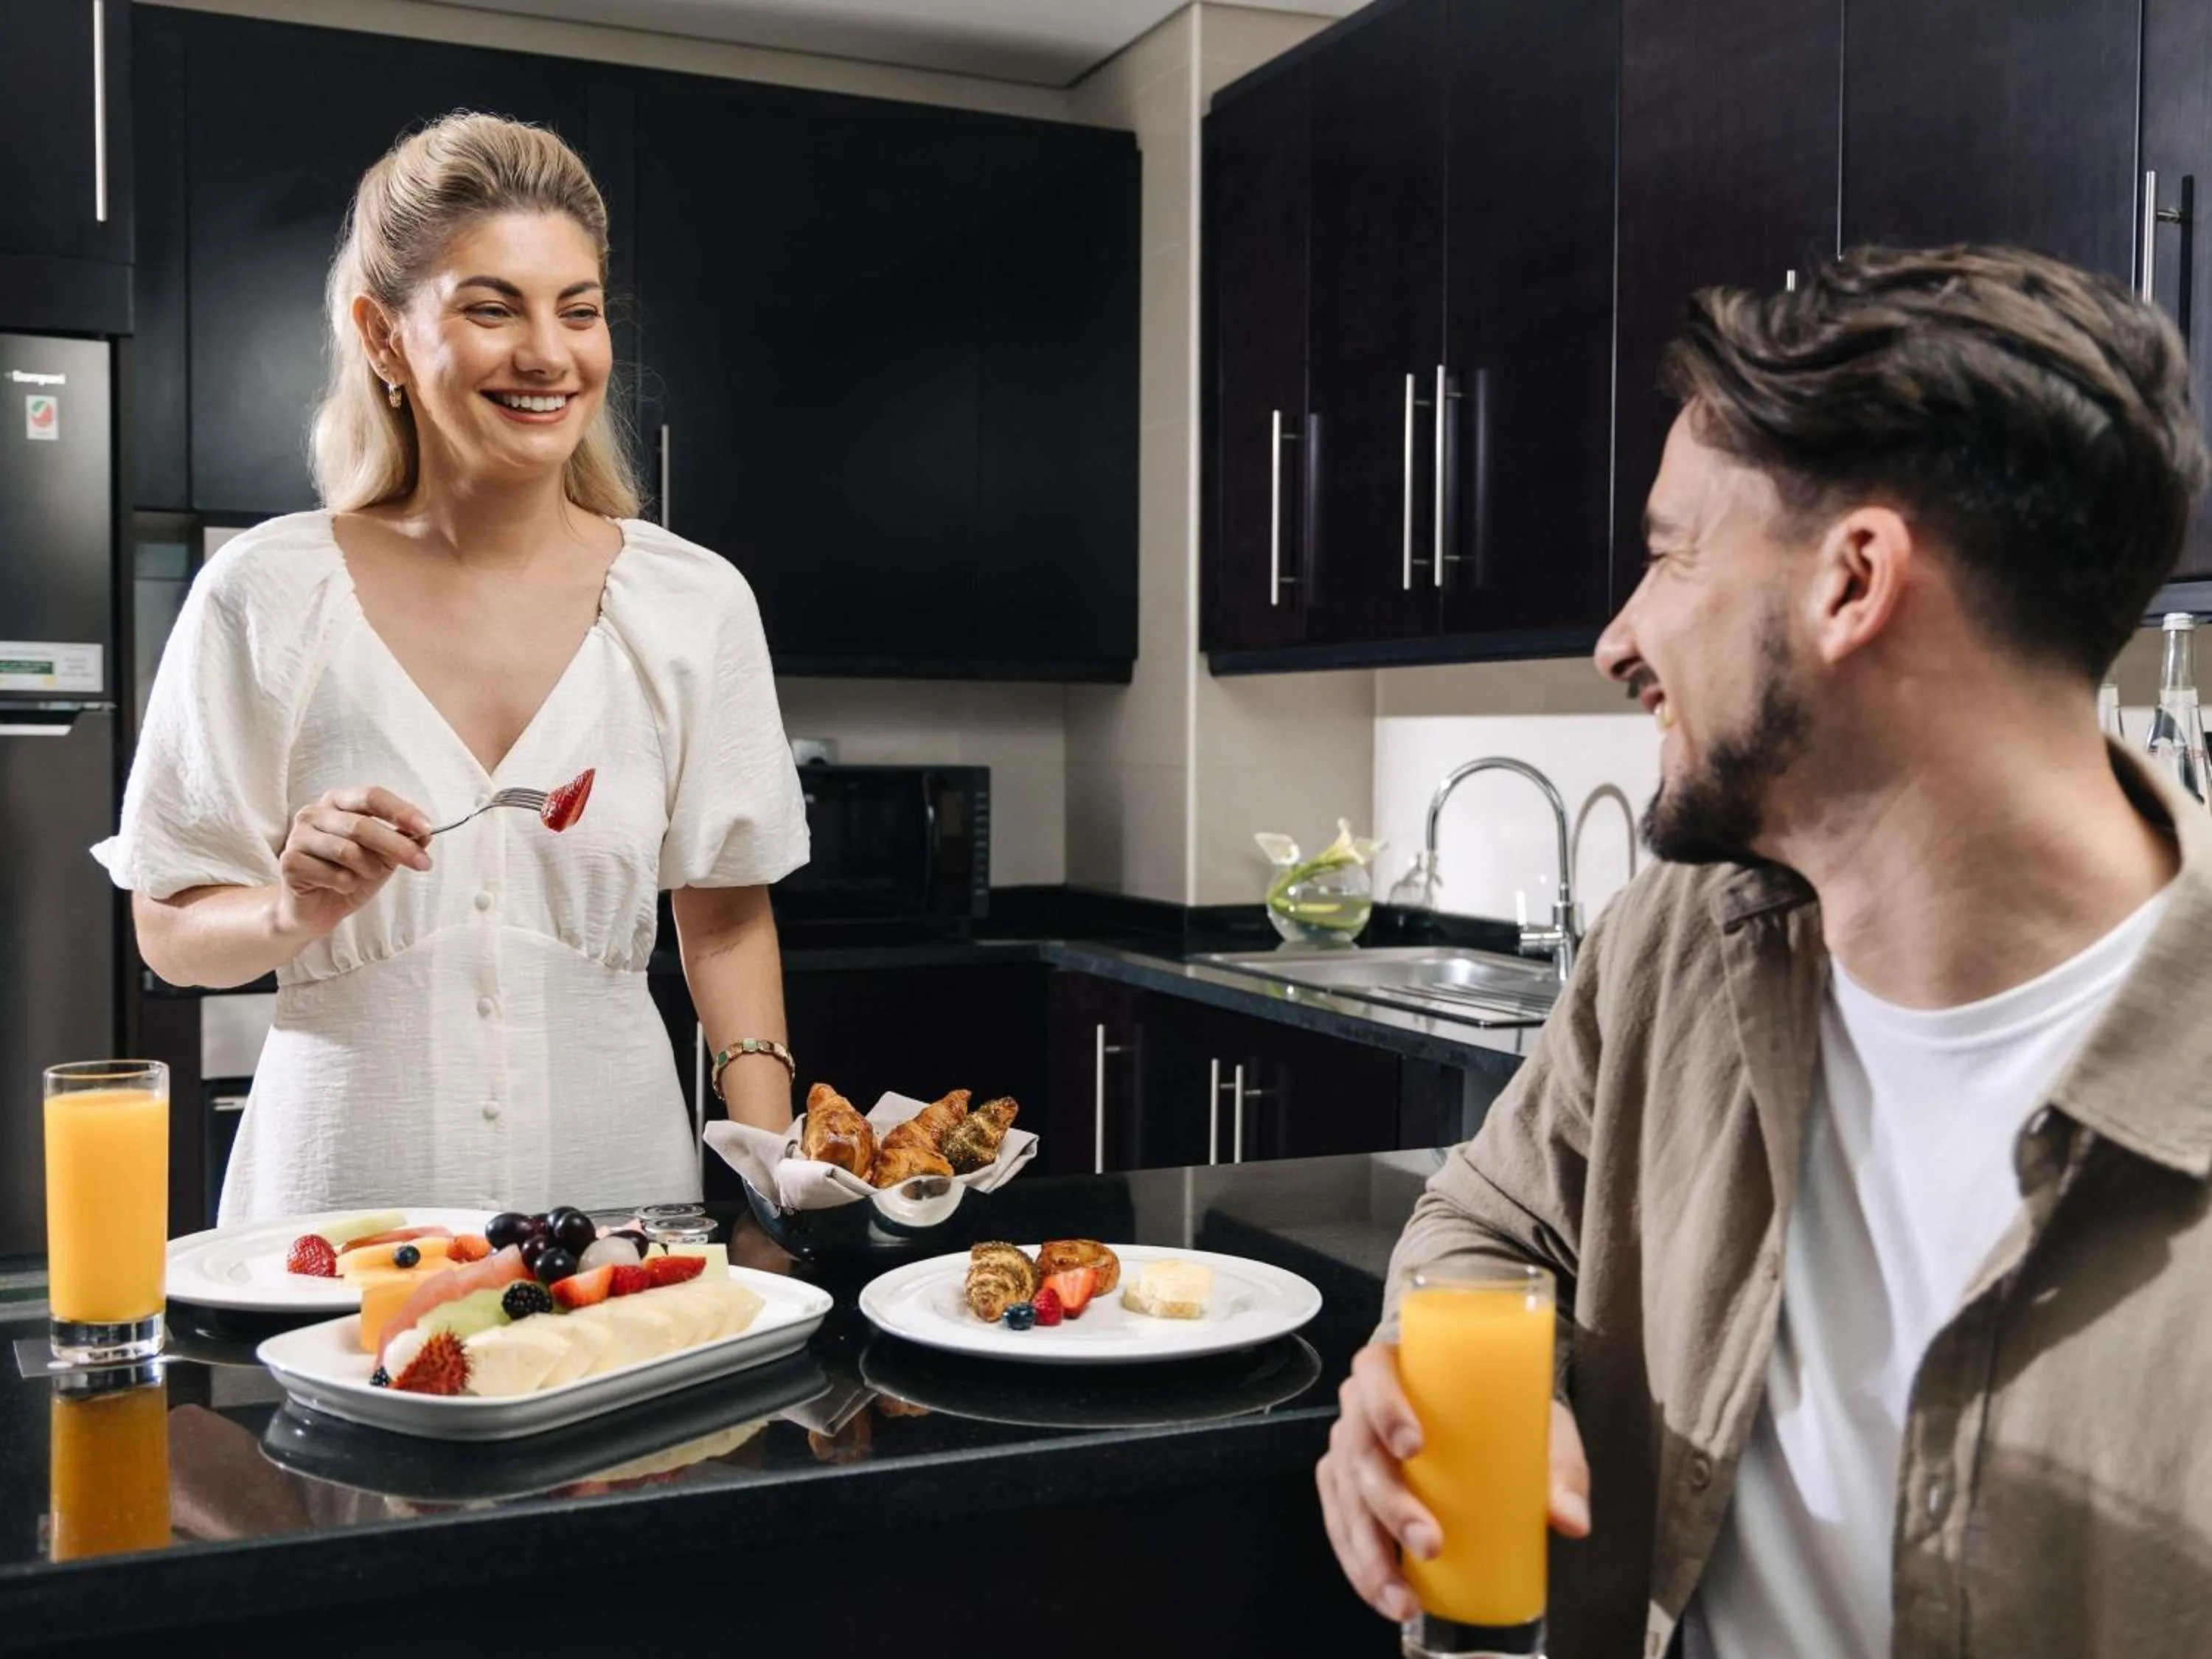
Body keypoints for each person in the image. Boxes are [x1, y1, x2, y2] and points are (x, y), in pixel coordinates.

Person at [1317, 243, 2212, 1658]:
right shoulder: (1675, 934)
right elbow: (1488, 1222)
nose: (1621, 634)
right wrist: (1439, 1383)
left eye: (1673, 550)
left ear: (1854, 582)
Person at [96, 114, 808, 1222]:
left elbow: (722, 917)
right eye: (492, 307)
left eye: (577, 310)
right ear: (383, 337)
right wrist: (291, 905)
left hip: (620, 1215)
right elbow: (169, 926)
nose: (547, 353)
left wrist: (774, 1175)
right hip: (334, 1216)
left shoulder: (693, 602)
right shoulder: (265, 592)